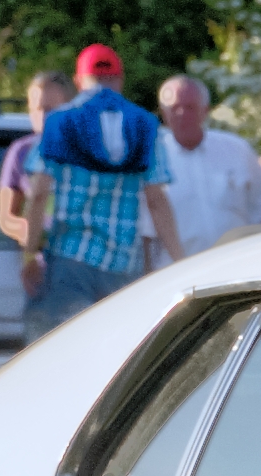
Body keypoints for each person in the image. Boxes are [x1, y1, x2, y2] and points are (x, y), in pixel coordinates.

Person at [16, 42, 178, 333]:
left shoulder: (59, 122)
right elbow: (156, 201)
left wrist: (29, 254)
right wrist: (180, 260)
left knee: (66, 346)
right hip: (123, 263)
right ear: (120, 79)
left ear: (78, 81)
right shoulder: (144, 125)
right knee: (115, 351)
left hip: (70, 259)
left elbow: (39, 194)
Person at [152, 74, 261, 257]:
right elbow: (146, 235)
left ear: (205, 110)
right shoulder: (153, 162)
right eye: (174, 108)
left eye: (190, 107)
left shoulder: (236, 150)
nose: (182, 114)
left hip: (238, 264)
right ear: (164, 113)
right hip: (179, 273)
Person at [0, 70, 73, 252]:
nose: (43, 118)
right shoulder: (21, 152)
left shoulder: (88, 151)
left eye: (50, 110)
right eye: (36, 109)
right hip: (36, 259)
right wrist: (25, 230)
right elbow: (5, 218)